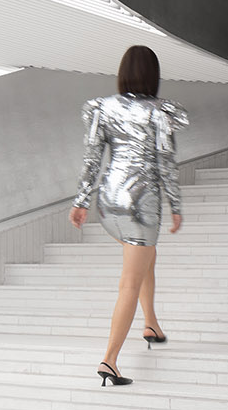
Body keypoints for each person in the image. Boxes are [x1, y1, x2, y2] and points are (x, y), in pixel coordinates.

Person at [68, 44, 188, 387]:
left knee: (146, 257)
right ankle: (110, 360)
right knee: (129, 282)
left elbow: (92, 159)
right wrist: (175, 206)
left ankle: (151, 323)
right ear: (154, 75)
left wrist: (80, 201)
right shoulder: (161, 112)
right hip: (141, 204)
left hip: (110, 202)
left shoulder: (102, 109)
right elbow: (166, 164)